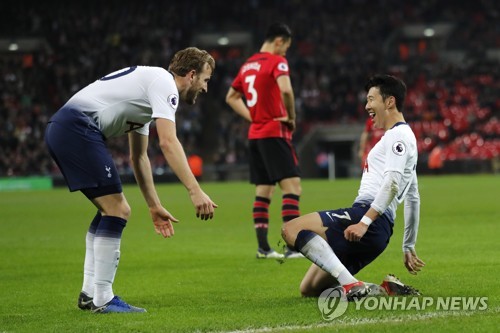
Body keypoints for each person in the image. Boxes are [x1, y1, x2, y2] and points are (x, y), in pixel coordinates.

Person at [44, 47, 218, 313]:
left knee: (108, 211)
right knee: (118, 209)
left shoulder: (148, 94)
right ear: (192, 75)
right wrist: (194, 190)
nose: (205, 88)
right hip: (77, 128)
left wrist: (153, 205)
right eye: (205, 80)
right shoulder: (164, 84)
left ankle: (90, 293)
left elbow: (139, 158)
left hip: (66, 128)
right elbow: (169, 142)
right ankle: (102, 298)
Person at [281, 74, 425, 300]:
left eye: (371, 99)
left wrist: (364, 223)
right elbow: (413, 197)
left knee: (290, 230)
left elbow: (392, 183)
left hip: (368, 219)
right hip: (378, 230)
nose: (367, 106)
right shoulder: (403, 138)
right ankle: (381, 289)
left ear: (390, 102)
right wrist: (408, 245)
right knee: (310, 289)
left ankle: (351, 284)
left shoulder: (398, 136)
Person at [225, 22, 302, 259]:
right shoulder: (276, 61)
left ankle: (263, 248)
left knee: (264, 190)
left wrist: (253, 117)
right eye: (285, 47)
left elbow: (231, 97)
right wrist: (291, 116)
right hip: (274, 134)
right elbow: (287, 91)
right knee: (292, 187)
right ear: (279, 41)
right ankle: (291, 247)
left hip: (255, 136)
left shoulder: (248, 64)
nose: (285, 53)